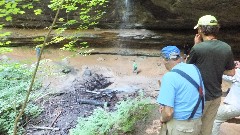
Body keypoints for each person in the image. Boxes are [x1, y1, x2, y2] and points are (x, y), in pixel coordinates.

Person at [186, 15, 236, 135]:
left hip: (200, 97)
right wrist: (217, 67)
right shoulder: (226, 48)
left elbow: (186, 69)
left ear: (201, 30)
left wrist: (196, 45)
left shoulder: (198, 49)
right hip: (216, 96)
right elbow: (232, 72)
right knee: (207, 129)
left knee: (192, 128)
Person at [157, 46, 205, 135]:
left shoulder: (169, 77)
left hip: (180, 127)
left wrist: (162, 118)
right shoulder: (194, 68)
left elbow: (168, 113)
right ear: (179, 57)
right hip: (196, 122)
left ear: (165, 60)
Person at [212, 61, 240, 135]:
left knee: (213, 118)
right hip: (236, 106)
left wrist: (231, 67)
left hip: (234, 106)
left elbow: (222, 74)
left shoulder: (238, 72)